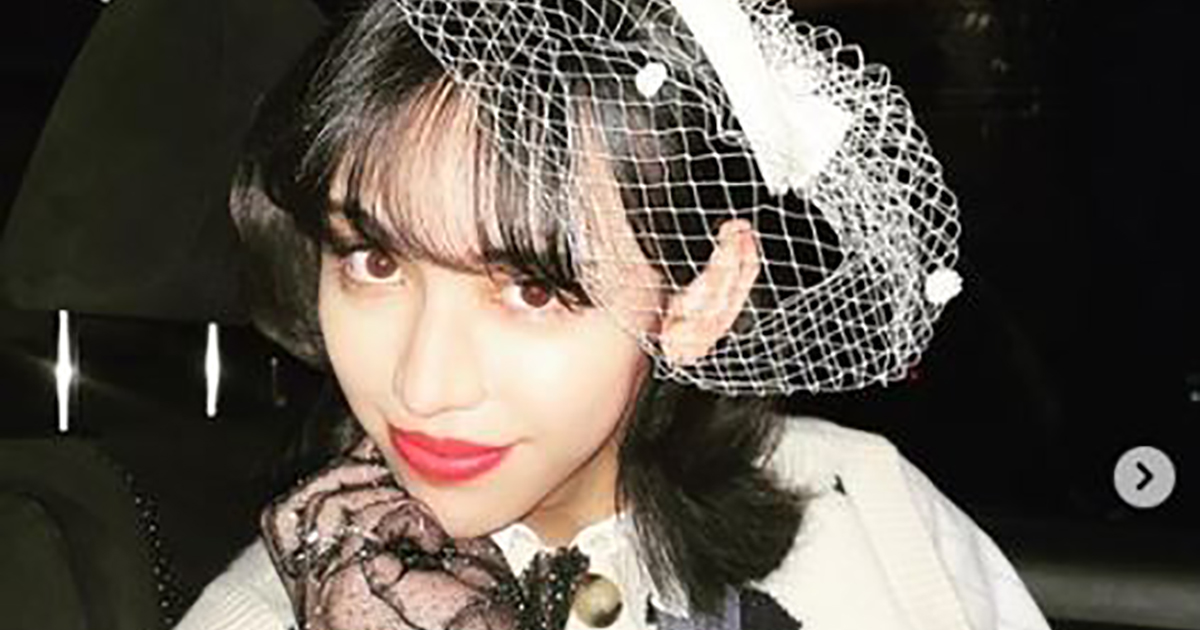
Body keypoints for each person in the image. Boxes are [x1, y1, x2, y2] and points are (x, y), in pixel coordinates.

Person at [176, 1, 1051, 629]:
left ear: (702, 295)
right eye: (373, 262)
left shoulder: (872, 515)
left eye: (532, 289)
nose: (423, 384)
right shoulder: (271, 613)